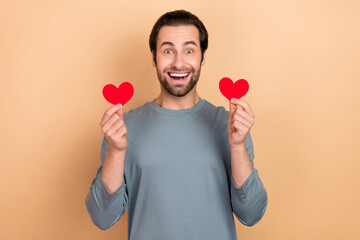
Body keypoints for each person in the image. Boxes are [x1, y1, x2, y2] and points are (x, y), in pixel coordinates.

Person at [86, 9, 268, 240]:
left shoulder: (230, 125)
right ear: (154, 58)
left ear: (202, 58)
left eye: (189, 50)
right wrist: (116, 150)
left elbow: (251, 214)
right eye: (168, 50)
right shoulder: (122, 129)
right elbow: (102, 218)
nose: (179, 62)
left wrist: (238, 145)